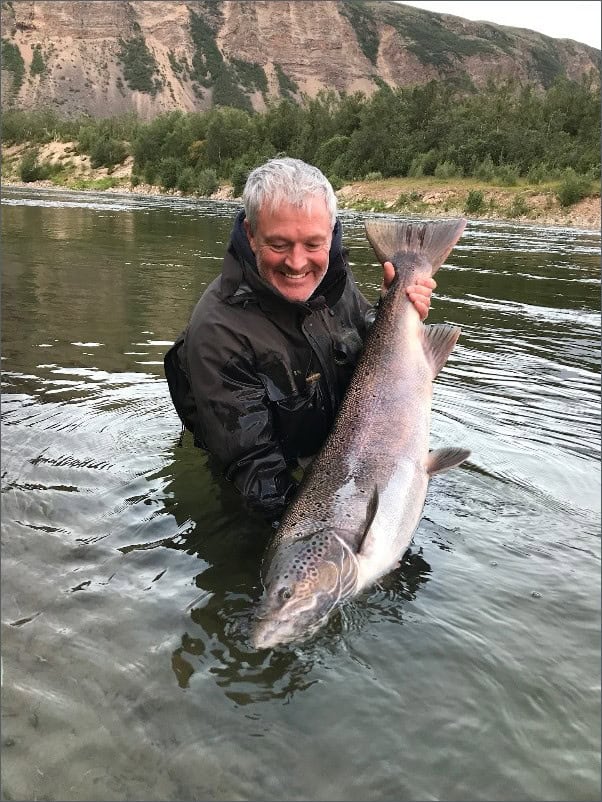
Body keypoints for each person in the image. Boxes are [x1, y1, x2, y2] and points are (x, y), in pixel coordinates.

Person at [164, 158, 435, 521]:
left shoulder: (332, 279)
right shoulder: (218, 334)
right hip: (257, 479)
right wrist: (337, 534)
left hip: (345, 457)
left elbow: (367, 352)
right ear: (250, 234)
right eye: (279, 244)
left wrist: (392, 311)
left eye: (313, 244)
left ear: (331, 232)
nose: (297, 263)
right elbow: (255, 473)